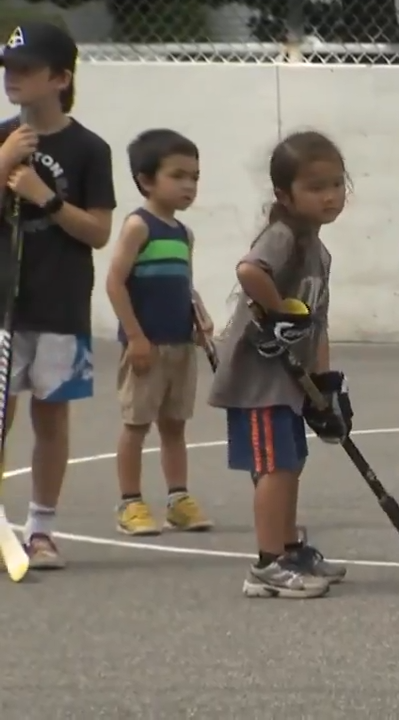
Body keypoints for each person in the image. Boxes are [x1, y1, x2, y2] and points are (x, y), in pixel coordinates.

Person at [207, 130, 353, 600]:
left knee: (291, 463)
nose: (330, 196)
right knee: (274, 467)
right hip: (259, 380)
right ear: (284, 195)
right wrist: (278, 311)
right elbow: (250, 271)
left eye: (336, 184)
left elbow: (318, 324)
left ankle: (290, 548)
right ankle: (268, 565)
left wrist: (323, 385)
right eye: (316, 187)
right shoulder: (283, 235)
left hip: (288, 382)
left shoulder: (318, 250)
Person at [0, 21, 115, 571]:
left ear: (61, 77)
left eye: (26, 70)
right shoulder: (1, 136)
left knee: (51, 418)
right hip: (3, 307)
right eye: (8, 69)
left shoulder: (90, 148)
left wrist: (44, 198)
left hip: (60, 304)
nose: (12, 78)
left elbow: (97, 231)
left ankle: (41, 527)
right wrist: (3, 163)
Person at [105, 129, 215, 536]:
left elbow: (185, 284)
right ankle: (130, 503)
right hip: (146, 347)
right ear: (146, 180)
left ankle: (178, 499)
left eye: (195, 177)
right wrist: (136, 337)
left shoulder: (183, 234)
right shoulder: (139, 226)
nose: (189, 185)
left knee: (174, 425)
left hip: (180, 346)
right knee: (136, 424)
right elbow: (115, 283)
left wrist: (200, 319)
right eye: (179, 175)